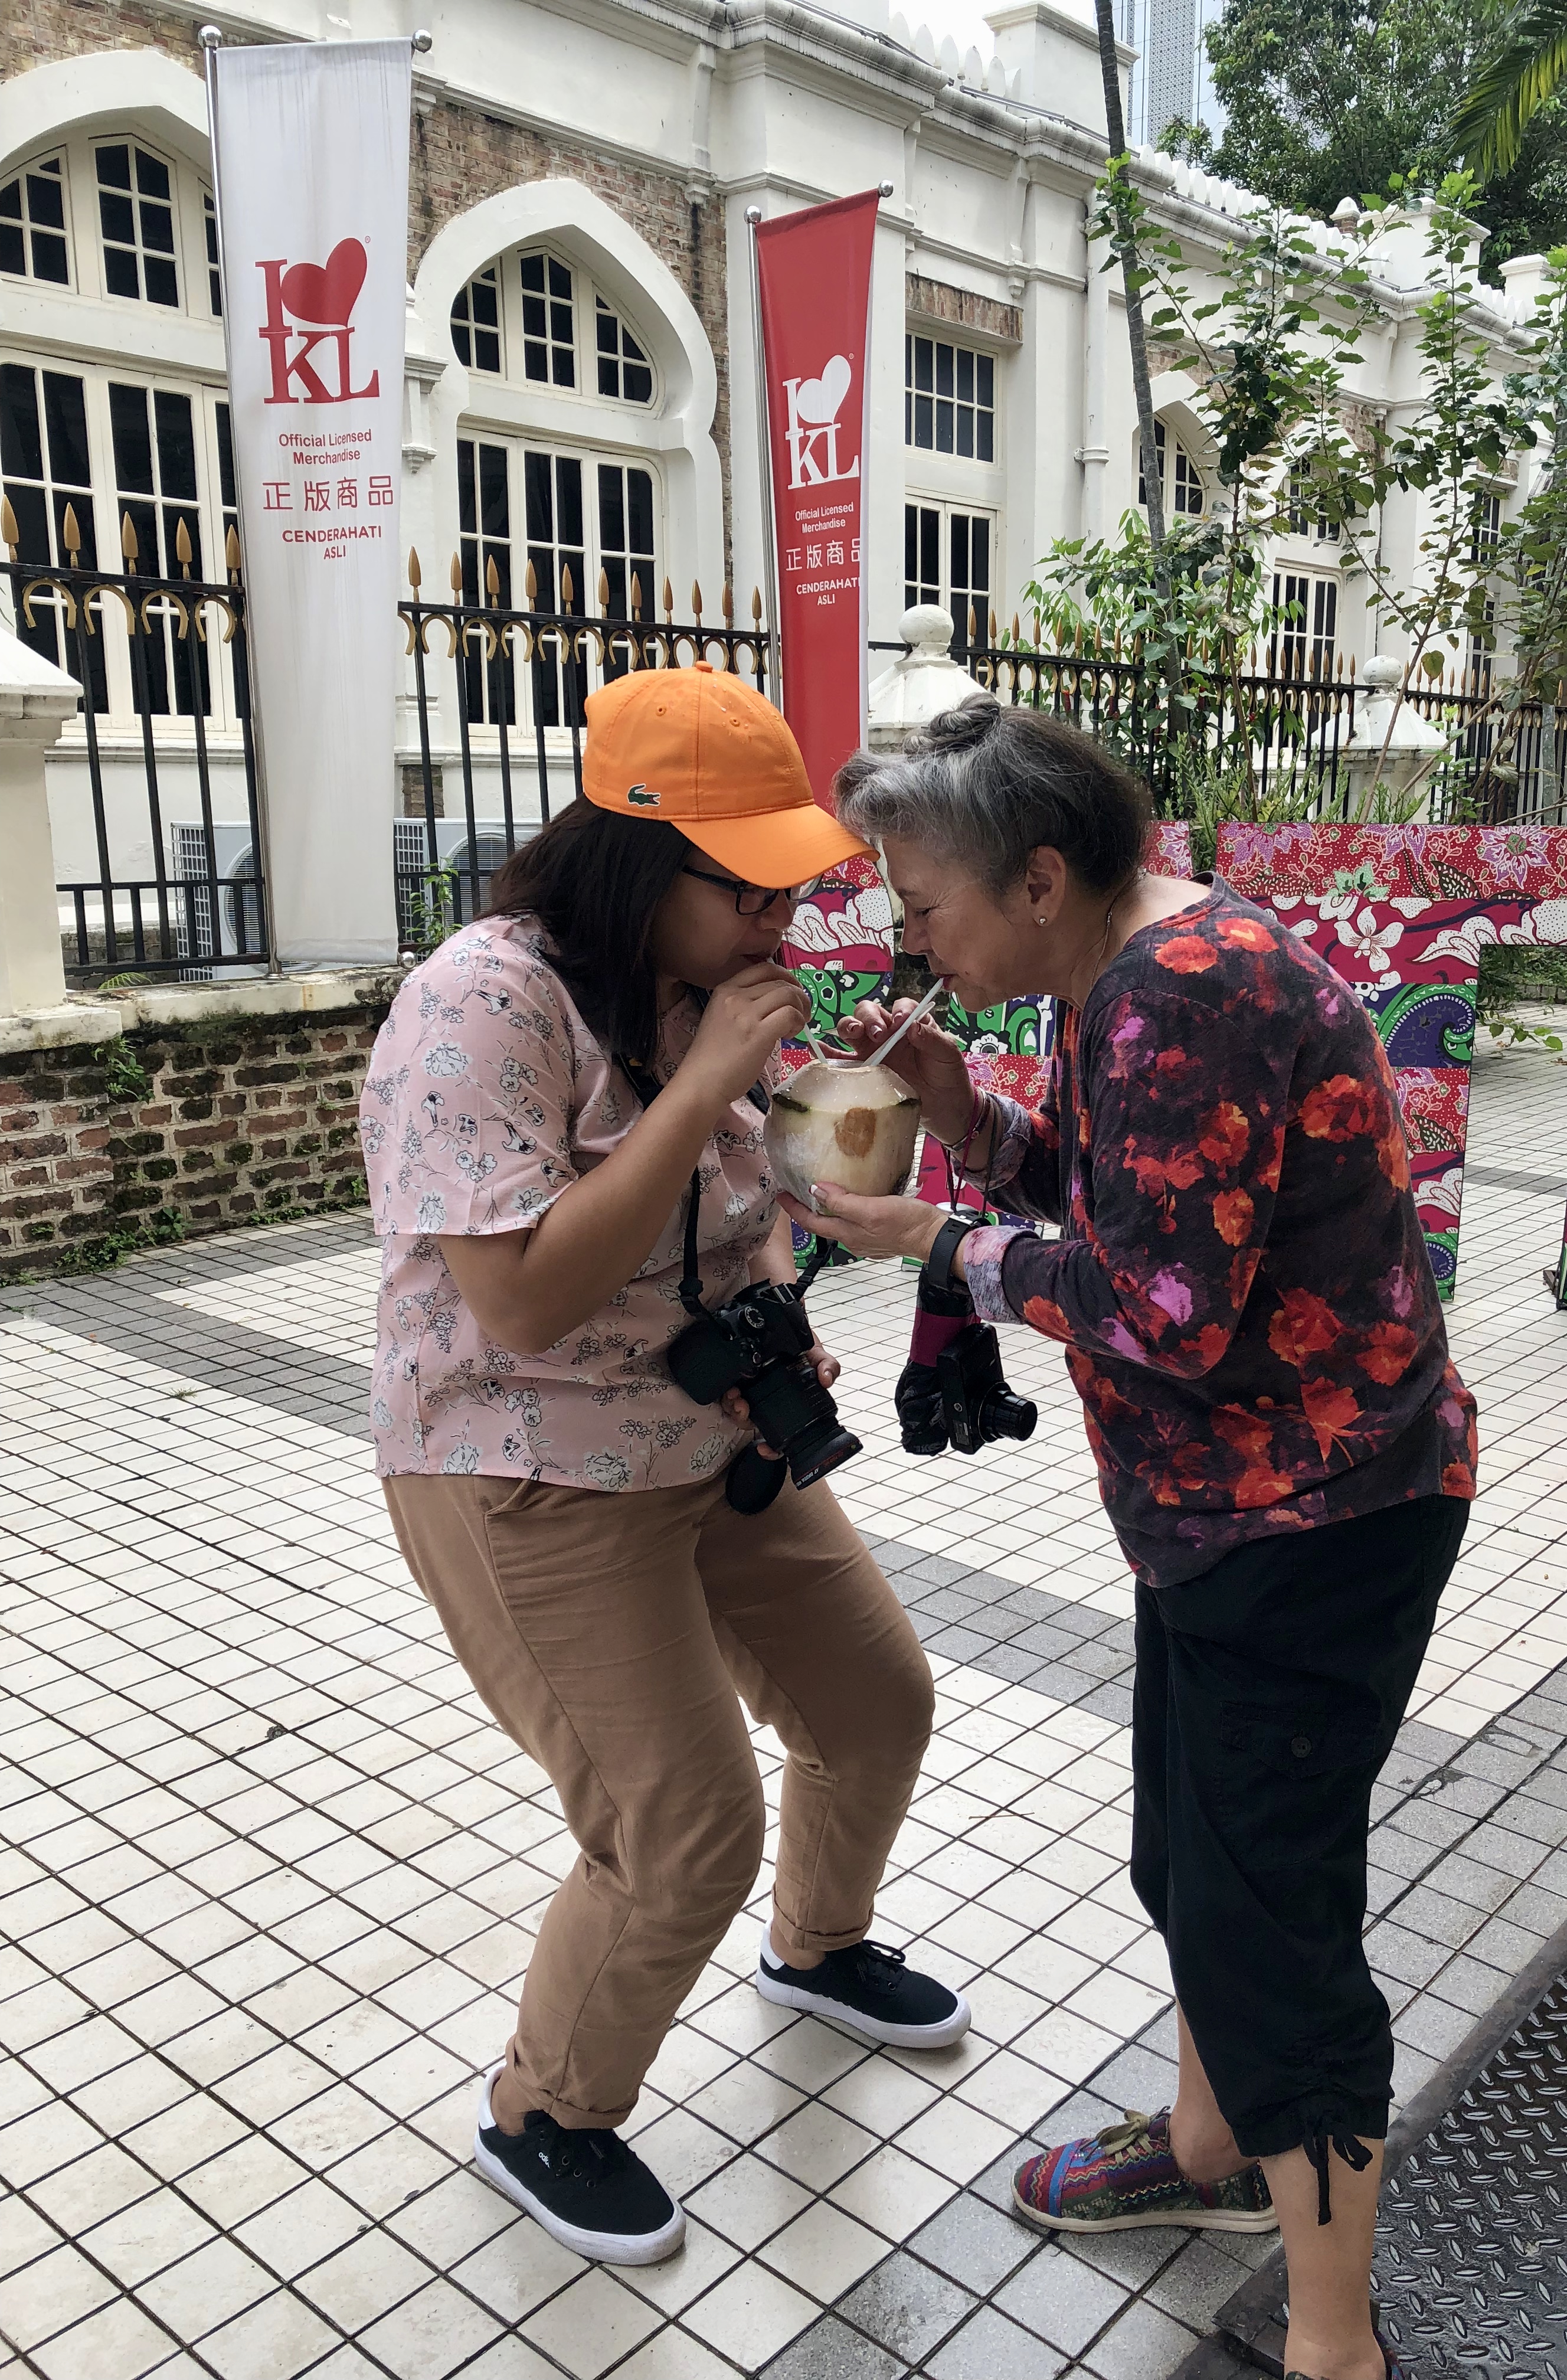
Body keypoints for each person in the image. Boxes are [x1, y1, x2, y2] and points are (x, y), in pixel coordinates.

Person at [781, 695, 1477, 2380]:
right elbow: (1129, 1204)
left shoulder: (1186, 989)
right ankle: (1211, 2153)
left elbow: (1164, 1308)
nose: (911, 941)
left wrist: (932, 1242)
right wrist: (967, 1118)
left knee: (1274, 1935)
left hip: (1311, 1523)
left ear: (1036, 878)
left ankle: (1335, 2345)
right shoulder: (1127, 968)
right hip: (1234, 1519)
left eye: (924, 902)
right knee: (1194, 1872)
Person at [359, 661, 969, 2268]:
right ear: (636, 861)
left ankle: (817, 1950)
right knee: (681, 1827)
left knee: (876, 1703)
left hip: (713, 1429)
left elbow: (754, 1194)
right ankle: (544, 2111)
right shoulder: (483, 1003)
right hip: (526, 1461)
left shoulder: (709, 986)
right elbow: (522, 1300)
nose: (783, 914)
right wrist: (699, 1087)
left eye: (793, 880)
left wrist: (801, 1252)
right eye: (747, 885)